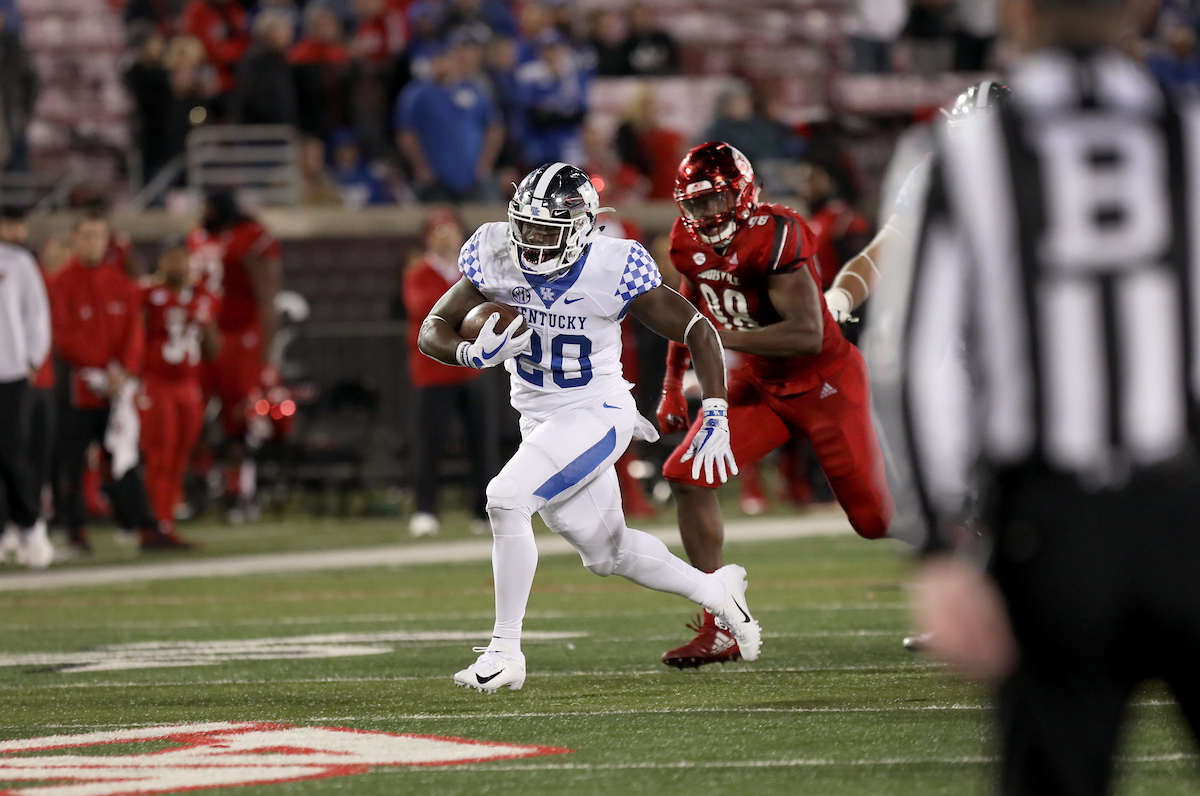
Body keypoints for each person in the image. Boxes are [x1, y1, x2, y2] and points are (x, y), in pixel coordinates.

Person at [888, 0, 1200, 787]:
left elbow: (912, 359)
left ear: (1015, 15)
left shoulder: (963, 153)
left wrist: (936, 553)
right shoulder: (1188, 138)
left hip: (1051, 534)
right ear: (1137, 10)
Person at [418, 162, 760, 692]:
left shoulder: (613, 266)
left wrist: (715, 409)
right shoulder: (495, 252)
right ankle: (717, 591)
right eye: (525, 226)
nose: (530, 241)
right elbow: (431, 328)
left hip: (597, 413)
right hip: (539, 421)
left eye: (544, 229)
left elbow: (696, 327)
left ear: (579, 227)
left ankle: (505, 651)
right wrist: (469, 353)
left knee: (507, 499)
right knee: (609, 553)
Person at [657, 142, 893, 668]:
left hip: (824, 384)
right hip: (763, 386)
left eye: (718, 200)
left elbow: (808, 335)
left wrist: (718, 338)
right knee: (687, 476)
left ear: (743, 195)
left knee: (874, 520)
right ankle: (722, 622)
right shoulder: (685, 241)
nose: (708, 215)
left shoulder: (778, 233)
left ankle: (964, 530)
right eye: (697, 205)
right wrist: (672, 383)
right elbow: (685, 311)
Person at [50, 212, 185, 551]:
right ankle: (74, 531)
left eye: (100, 236)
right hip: (76, 388)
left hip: (114, 388)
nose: (94, 243)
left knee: (123, 457)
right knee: (71, 461)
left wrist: (124, 370)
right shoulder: (59, 283)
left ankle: (143, 526)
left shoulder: (120, 283)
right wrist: (97, 367)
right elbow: (62, 334)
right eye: (87, 235)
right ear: (75, 240)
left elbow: (133, 333)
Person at [187, 191, 282, 522]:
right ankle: (197, 488)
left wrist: (266, 356)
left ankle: (238, 491)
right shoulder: (198, 237)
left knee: (240, 418)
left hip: (241, 338)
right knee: (195, 415)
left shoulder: (251, 237)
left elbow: (267, 298)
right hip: (203, 336)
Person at [402, 209, 496, 538]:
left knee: (482, 443)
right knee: (429, 444)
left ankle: (484, 511)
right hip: (433, 373)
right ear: (427, 237)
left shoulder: (473, 271)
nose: (445, 235)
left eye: (450, 228)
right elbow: (424, 310)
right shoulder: (419, 272)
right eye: (438, 229)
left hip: (472, 370)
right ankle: (425, 510)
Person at [138, 239, 218, 544]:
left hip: (188, 384)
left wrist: (205, 319)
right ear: (161, 263)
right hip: (157, 383)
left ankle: (165, 520)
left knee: (180, 456)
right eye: (172, 259)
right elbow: (137, 337)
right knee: (160, 453)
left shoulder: (201, 298)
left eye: (182, 260)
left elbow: (212, 350)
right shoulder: (148, 294)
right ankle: (154, 525)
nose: (178, 266)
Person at [0, 206, 51, 568]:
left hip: (10, 371)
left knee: (11, 452)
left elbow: (37, 312)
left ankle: (32, 525)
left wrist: (33, 358)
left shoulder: (17, 262)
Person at [394, 38, 504, 202]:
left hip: (474, 177)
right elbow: (406, 134)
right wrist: (420, 168)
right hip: (435, 179)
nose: (442, 64)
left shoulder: (475, 89)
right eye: (437, 59)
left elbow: (495, 128)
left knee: (488, 220)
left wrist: (485, 164)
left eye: (446, 58)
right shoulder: (416, 94)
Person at [515, 31, 590, 167]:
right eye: (548, 49)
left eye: (556, 48)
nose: (553, 53)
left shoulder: (573, 77)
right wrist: (562, 114)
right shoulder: (530, 77)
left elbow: (580, 114)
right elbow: (535, 116)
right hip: (540, 145)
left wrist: (554, 114)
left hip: (568, 146)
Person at [230, 10, 298, 126]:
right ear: (268, 33)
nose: (289, 34)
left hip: (280, 131)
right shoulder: (255, 62)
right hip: (260, 133)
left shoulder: (281, 61)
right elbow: (256, 102)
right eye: (283, 30)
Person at [180, 0, 250, 97]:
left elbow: (244, 42)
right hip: (205, 71)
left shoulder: (234, 8)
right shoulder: (196, 10)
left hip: (233, 72)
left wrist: (227, 53)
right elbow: (193, 45)